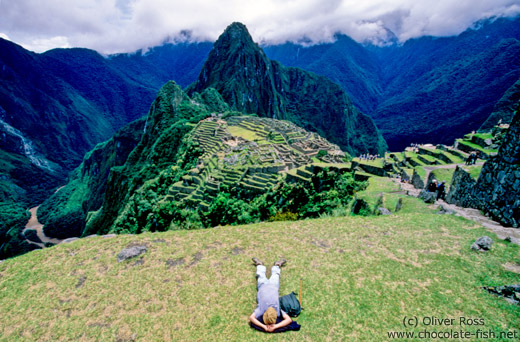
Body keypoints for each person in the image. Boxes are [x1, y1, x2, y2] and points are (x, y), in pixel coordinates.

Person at [249, 257, 292, 333]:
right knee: (275, 274)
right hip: (273, 286)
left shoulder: (261, 310)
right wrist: (275, 326)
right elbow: (289, 320)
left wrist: (264, 327)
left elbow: (251, 318)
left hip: (263, 286)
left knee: (261, 275)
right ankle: (277, 265)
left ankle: (259, 264)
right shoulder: (278, 311)